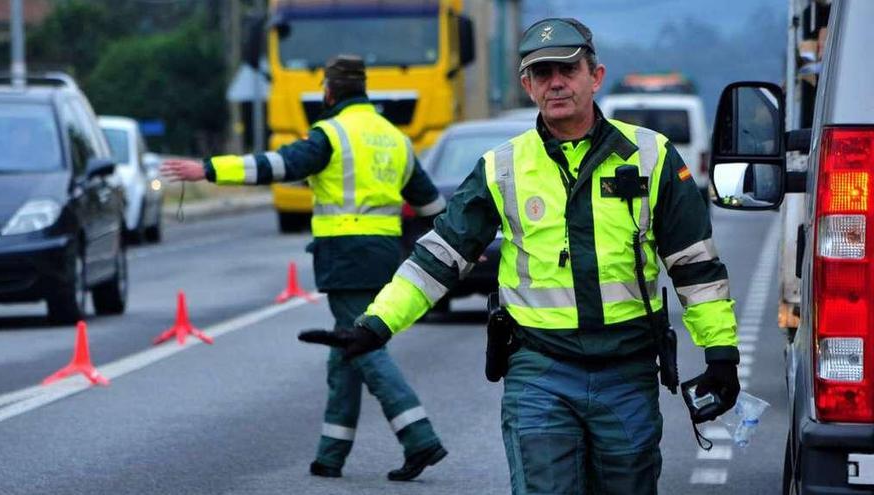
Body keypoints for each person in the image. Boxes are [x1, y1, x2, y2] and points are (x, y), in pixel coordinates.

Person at [300, 18, 741, 494]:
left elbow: (695, 265)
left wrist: (721, 354)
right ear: (527, 85)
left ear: (595, 76)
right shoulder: (501, 167)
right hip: (540, 373)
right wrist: (375, 324)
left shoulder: (651, 156)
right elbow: (439, 256)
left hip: (626, 371)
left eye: (567, 70)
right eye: (542, 72)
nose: (556, 82)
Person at [160, 54, 448, 482]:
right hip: (384, 257)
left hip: (346, 259)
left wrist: (208, 168)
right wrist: (455, 245)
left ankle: (419, 439)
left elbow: (279, 165)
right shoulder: (394, 138)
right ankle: (330, 456)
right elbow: (430, 204)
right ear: (364, 89)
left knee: (365, 348)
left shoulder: (331, 134)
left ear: (329, 92)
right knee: (344, 354)